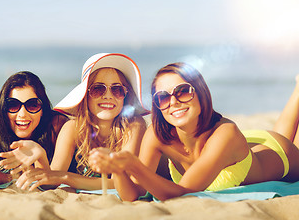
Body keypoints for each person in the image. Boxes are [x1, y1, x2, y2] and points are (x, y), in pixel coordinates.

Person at [88, 62, 299, 201]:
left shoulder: (227, 133)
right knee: (279, 131)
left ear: (201, 93)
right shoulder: (157, 135)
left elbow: (183, 193)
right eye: (163, 97)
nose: (174, 102)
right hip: (245, 147)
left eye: (183, 91)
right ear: (157, 105)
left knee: (284, 139)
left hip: (280, 153)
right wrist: (117, 168)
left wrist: (133, 164)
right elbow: (133, 195)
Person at [0, 53, 149, 191]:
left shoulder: (134, 125)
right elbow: (51, 180)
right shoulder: (73, 128)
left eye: (117, 89)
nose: (108, 96)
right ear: (85, 95)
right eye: (98, 89)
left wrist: (66, 177)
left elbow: (124, 183)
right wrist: (41, 155)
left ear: (125, 95)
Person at [0, 71, 68, 188]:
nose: (22, 114)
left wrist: (40, 155)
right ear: (3, 109)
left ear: (43, 110)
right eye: (13, 105)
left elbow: (51, 182)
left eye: (32, 105)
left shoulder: (59, 126)